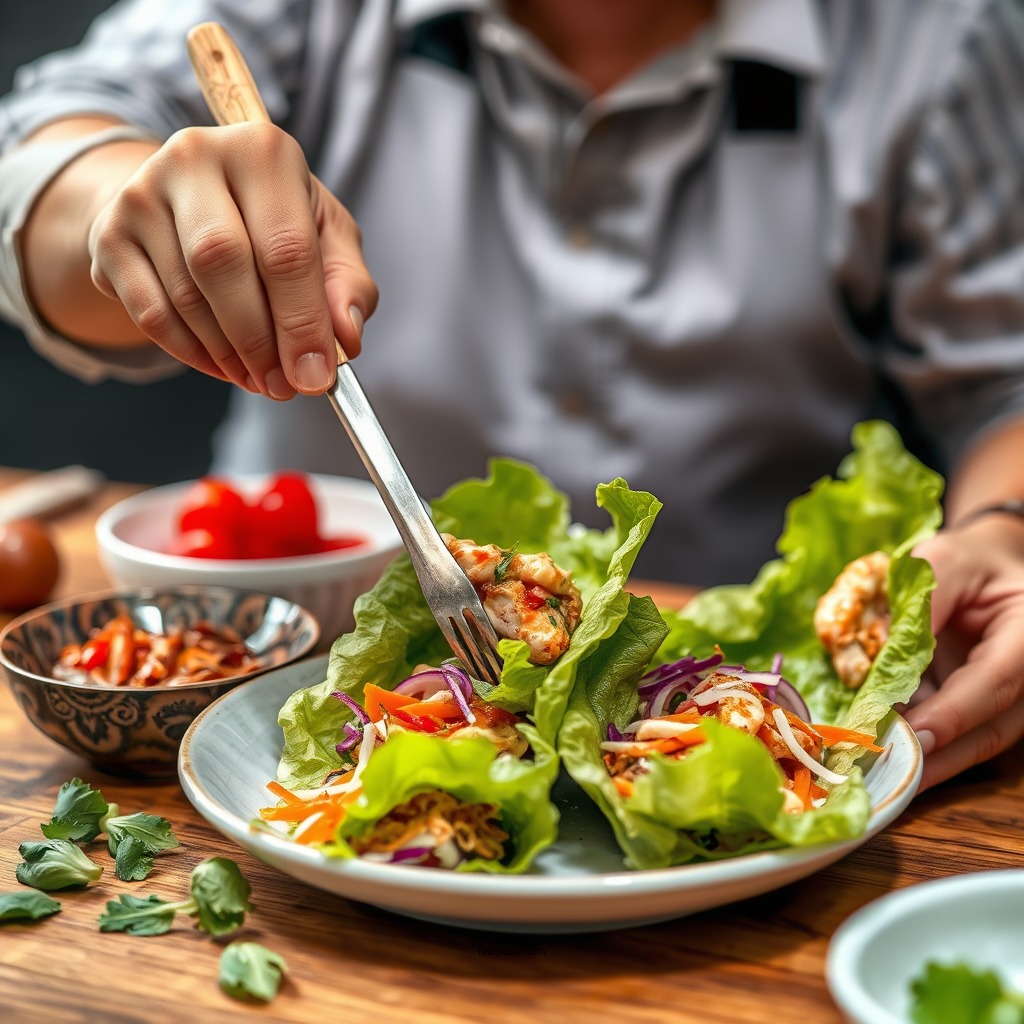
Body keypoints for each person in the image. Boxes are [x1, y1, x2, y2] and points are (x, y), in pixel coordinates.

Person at [1, 0, 1023, 792]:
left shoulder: (934, 37)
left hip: (750, 675)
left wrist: (1005, 528)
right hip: (274, 694)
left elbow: (1002, 381)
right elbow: (40, 149)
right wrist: (117, 202)